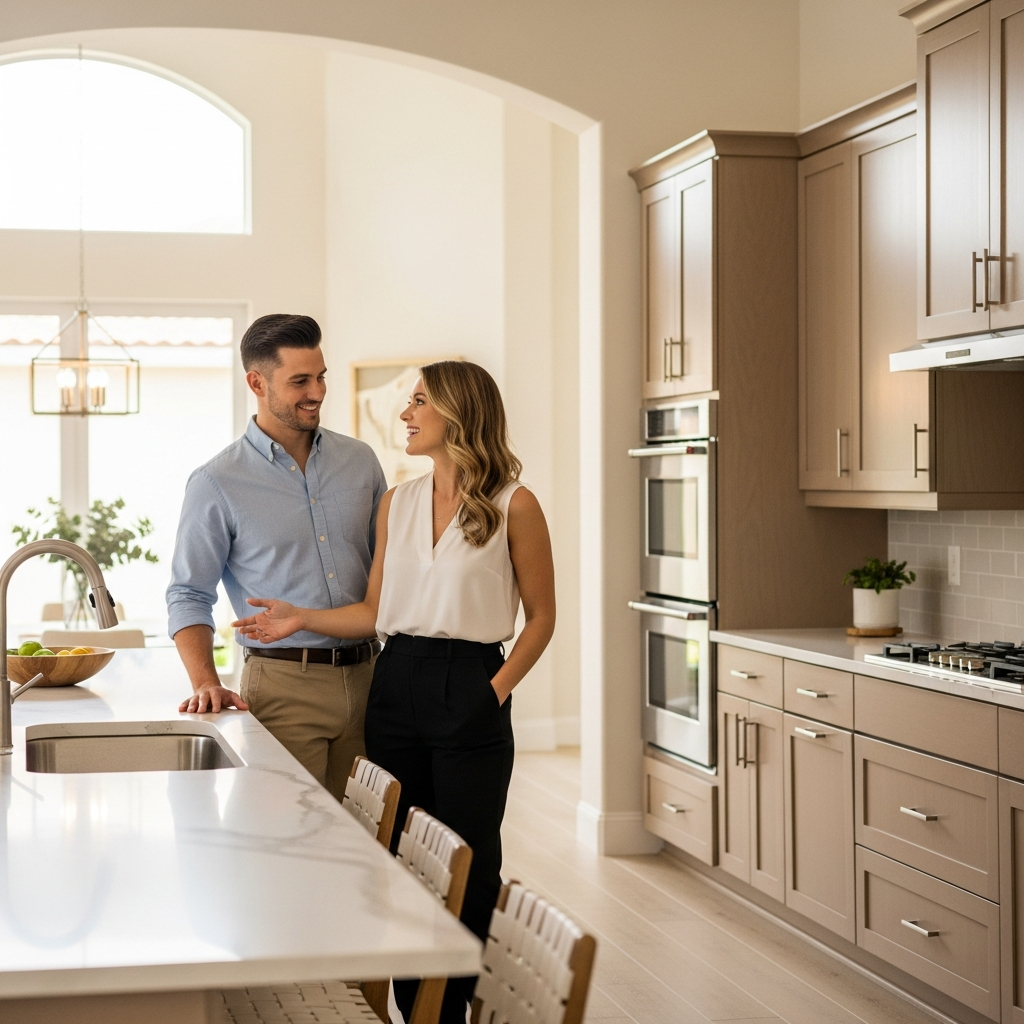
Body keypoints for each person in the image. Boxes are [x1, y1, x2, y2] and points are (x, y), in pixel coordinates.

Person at [232, 360, 556, 1024]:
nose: (406, 414)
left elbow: (542, 618)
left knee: (470, 864)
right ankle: (417, 1011)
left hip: (471, 683)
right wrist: (300, 618)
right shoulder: (397, 503)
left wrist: (491, 694)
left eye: (419, 402)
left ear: (458, 413)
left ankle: (459, 1009)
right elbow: (374, 612)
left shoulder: (514, 505)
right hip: (396, 681)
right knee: (404, 858)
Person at [166, 313, 387, 801]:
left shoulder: (361, 462)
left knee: (369, 836)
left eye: (321, 377)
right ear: (257, 383)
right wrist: (205, 681)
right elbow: (188, 593)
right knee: (287, 830)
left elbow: (387, 569)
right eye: (300, 381)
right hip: (284, 685)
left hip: (373, 680)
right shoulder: (216, 482)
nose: (317, 392)